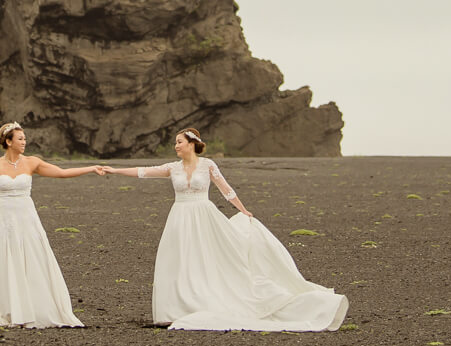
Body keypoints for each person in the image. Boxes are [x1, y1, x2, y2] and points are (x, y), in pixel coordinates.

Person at [105, 127, 349, 331]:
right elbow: (143, 172)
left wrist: (243, 210)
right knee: (179, 259)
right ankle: (174, 310)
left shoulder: (207, 165)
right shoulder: (173, 167)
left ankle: (206, 301)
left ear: (191, 143)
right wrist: (114, 170)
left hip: (204, 214)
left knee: (208, 258)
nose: (175, 146)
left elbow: (226, 189)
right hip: (179, 216)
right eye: (175, 143)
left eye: (179, 142)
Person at [0, 122, 105, 327]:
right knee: (7, 260)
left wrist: (91, 168)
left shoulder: (32, 162)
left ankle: (37, 307)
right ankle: (13, 309)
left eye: (25, 139)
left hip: (26, 218)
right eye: (20, 139)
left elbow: (62, 172)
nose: (24, 142)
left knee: (33, 258)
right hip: (3, 220)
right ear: (8, 141)